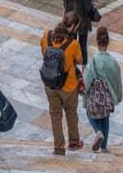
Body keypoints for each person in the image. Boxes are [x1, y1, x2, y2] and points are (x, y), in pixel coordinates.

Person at [40, 12, 84, 155]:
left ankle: (58, 148)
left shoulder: (47, 35)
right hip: (68, 86)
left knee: (55, 115)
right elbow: (79, 60)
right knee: (71, 113)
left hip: (50, 83)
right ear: (74, 27)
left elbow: (44, 52)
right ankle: (74, 142)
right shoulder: (73, 44)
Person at [83, 25, 123, 152]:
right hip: (108, 99)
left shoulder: (93, 62)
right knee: (105, 119)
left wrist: (84, 99)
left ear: (97, 41)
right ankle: (104, 148)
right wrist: (118, 97)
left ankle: (97, 131)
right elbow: (118, 82)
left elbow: (86, 83)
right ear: (108, 42)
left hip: (95, 100)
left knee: (90, 114)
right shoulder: (114, 62)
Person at [62, 0, 98, 65]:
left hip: (70, 19)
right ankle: (84, 69)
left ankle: (71, 64)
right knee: (82, 46)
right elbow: (88, 7)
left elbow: (64, 2)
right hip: (82, 21)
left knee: (71, 43)